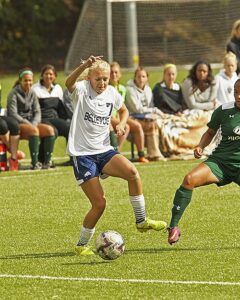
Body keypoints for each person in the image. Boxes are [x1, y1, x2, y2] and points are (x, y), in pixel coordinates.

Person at [65, 55, 167, 255]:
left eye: (105, 78)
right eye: (98, 79)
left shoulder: (111, 92)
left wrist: (121, 123)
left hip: (104, 150)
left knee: (132, 172)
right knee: (100, 203)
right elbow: (68, 82)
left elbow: (124, 110)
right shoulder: (82, 90)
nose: (102, 83)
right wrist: (84, 65)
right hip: (83, 155)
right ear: (89, 79)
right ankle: (81, 245)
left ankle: (141, 220)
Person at [167, 78, 240, 245]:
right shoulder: (224, 110)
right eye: (236, 92)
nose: (238, 96)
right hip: (220, 163)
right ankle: (173, 227)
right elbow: (210, 132)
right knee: (189, 180)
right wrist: (201, 146)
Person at [7, 67, 56, 170]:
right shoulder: (13, 93)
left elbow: (37, 111)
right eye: (25, 80)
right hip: (18, 124)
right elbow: (13, 114)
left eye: (30, 80)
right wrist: (28, 124)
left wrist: (34, 122)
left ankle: (47, 162)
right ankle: (35, 163)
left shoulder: (32, 92)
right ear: (20, 81)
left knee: (50, 130)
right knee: (34, 130)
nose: (28, 83)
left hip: (32, 123)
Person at [110, 62, 149, 163]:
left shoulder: (122, 89)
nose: (114, 75)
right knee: (125, 127)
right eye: (111, 72)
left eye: (116, 72)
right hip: (108, 118)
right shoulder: (105, 88)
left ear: (120, 75)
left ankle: (141, 155)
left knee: (137, 126)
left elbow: (124, 108)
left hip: (119, 117)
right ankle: (115, 154)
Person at [32, 64, 71, 165]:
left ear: (55, 76)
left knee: (70, 127)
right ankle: (44, 160)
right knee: (53, 131)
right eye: (46, 74)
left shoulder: (57, 88)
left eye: (51, 74)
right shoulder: (35, 89)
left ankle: (73, 159)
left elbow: (61, 109)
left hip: (54, 118)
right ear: (42, 75)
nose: (48, 76)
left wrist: (67, 119)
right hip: (41, 119)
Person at [125, 66, 166, 161]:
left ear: (147, 78)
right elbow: (137, 109)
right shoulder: (130, 90)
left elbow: (150, 106)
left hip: (146, 116)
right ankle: (153, 153)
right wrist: (154, 111)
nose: (141, 79)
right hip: (133, 117)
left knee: (162, 121)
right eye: (138, 76)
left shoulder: (147, 89)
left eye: (143, 76)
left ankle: (165, 151)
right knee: (152, 124)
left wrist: (153, 112)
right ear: (134, 77)